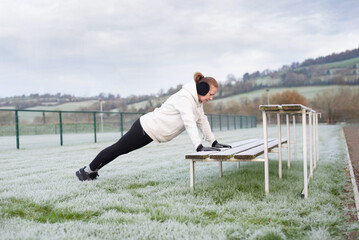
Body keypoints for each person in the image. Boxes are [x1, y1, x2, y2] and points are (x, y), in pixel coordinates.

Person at [76, 72, 232, 181]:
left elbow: (202, 120)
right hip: (145, 128)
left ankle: (92, 170)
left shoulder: (196, 102)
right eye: (210, 94)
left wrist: (213, 142)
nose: (211, 98)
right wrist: (198, 146)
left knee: (119, 150)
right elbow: (189, 122)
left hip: (150, 132)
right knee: (118, 149)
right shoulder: (184, 98)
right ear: (202, 89)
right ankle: (86, 171)